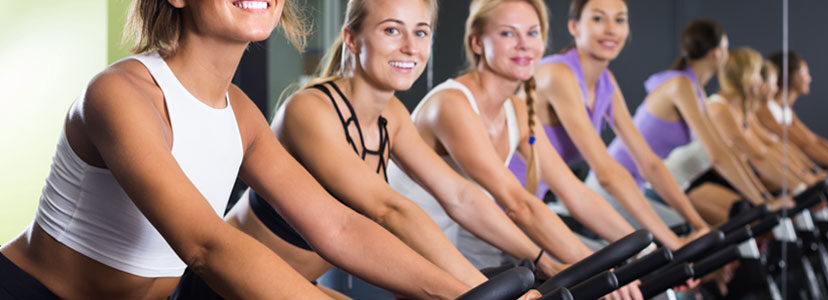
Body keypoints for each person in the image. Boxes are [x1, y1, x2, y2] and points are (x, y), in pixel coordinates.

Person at [0, 1, 474, 299]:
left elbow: (339, 227)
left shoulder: (242, 114)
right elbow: (207, 245)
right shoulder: (121, 94)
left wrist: (464, 293)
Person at [221, 0, 561, 297]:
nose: (411, 48)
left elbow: (460, 196)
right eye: (392, 31)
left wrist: (546, 260)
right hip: (225, 282)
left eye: (421, 32)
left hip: (293, 284)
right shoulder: (310, 110)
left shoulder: (392, 116)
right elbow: (389, 210)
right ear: (352, 39)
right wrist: (481, 290)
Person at [389, 0, 644, 298]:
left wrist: (643, 248)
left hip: (444, 248)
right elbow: (517, 204)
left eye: (533, 33)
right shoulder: (452, 105)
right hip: (404, 254)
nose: (524, 45)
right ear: (477, 42)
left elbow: (574, 192)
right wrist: (590, 265)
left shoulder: (517, 110)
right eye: (508, 34)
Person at [509, 0, 709, 242]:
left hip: (530, 210)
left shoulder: (606, 82)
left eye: (620, 19)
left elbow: (650, 164)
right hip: (502, 208)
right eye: (598, 18)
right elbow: (606, 173)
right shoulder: (557, 75)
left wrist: (700, 226)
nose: (611, 29)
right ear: (574, 26)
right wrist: (671, 241)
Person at [606, 19, 782, 225]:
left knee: (693, 236)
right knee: (688, 236)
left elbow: (724, 151)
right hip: (615, 185)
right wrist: (763, 202)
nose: (727, 54)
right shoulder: (681, 86)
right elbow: (717, 156)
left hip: (637, 186)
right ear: (716, 53)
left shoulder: (696, 92)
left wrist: (764, 200)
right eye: (726, 48)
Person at [706, 48, 821, 196]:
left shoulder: (742, 110)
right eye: (757, 76)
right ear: (746, 76)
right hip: (698, 181)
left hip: (720, 176)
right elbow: (756, 157)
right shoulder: (719, 108)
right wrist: (801, 186)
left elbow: (768, 146)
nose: (761, 83)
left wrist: (808, 176)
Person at [756, 51, 828, 170]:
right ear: (791, 76)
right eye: (805, 73)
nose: (809, 78)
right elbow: (803, 144)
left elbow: (814, 140)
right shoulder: (765, 109)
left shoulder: (787, 111)